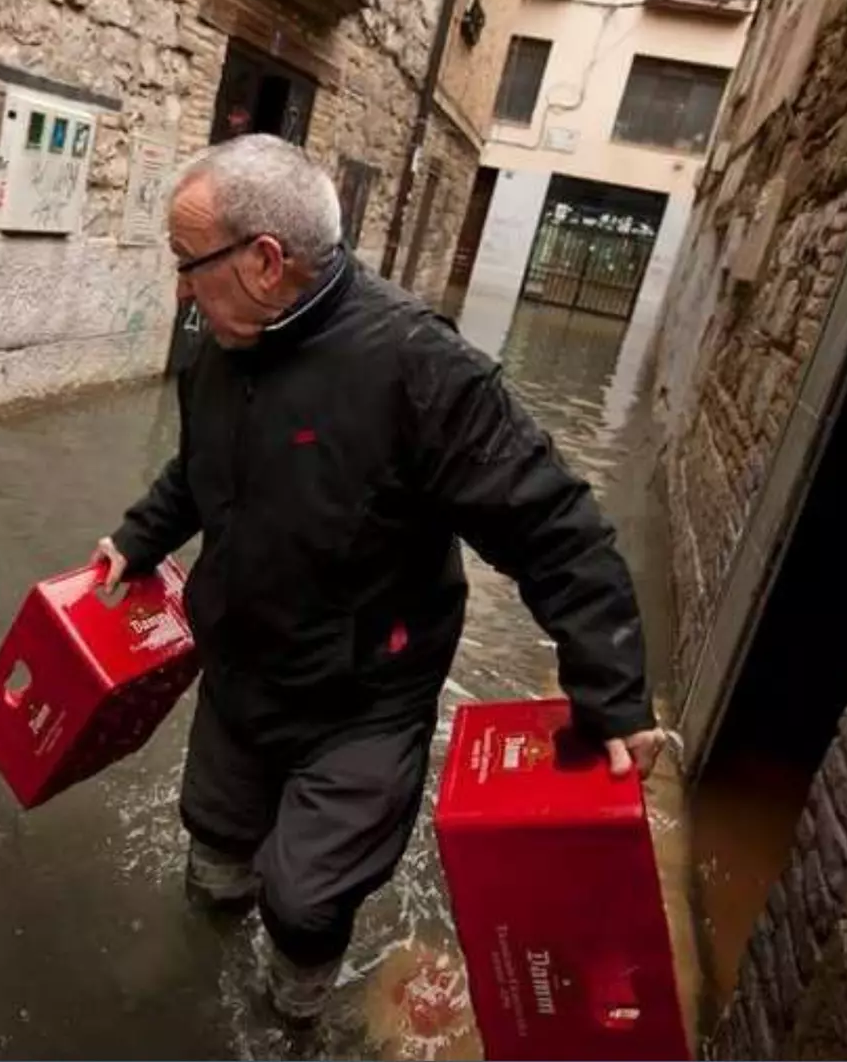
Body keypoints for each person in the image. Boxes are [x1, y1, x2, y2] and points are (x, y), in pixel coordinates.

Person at [92, 135, 668, 1022]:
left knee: (308, 901)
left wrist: (612, 692)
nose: (179, 287)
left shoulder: (421, 370)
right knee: (214, 853)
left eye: (186, 263)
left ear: (264, 261)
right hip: (241, 671)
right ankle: (194, 984)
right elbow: (200, 469)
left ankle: (290, 1021)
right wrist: (139, 537)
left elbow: (556, 529)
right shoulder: (219, 346)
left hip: (362, 698)